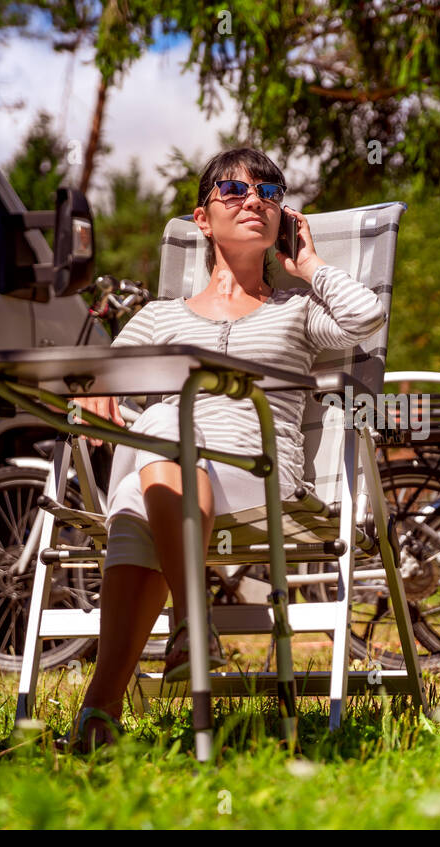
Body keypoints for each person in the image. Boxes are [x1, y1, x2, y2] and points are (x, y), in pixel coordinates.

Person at [66, 147, 385, 750]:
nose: (255, 202)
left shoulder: (295, 313)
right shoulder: (160, 317)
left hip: (262, 476)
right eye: (235, 192)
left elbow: (367, 319)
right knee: (143, 478)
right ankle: (104, 712)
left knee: (156, 438)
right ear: (202, 220)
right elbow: (96, 380)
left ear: (282, 220)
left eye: (270, 193)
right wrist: (94, 390)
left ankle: (182, 633)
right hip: (172, 475)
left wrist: (310, 263)